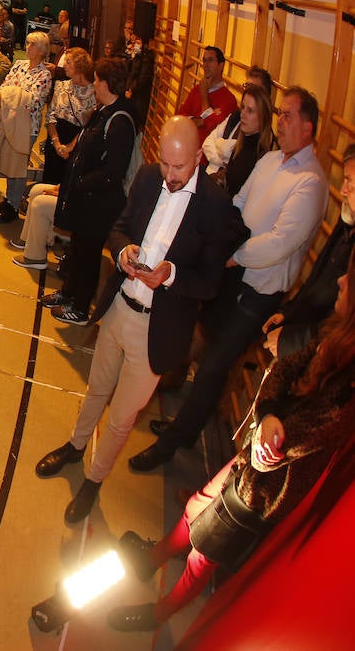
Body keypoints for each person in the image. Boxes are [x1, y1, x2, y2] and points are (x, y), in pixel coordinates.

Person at [106, 251, 355, 631]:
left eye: (348, 279)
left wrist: (274, 436)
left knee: (205, 553)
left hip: (271, 484)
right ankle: (154, 556)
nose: (339, 281)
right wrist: (268, 414)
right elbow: (285, 367)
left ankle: (161, 613)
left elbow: (316, 431)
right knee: (197, 504)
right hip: (257, 451)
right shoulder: (332, 331)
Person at [34, 117, 247, 524]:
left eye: (179, 168)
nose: (169, 176)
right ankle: (75, 446)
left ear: (199, 159)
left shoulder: (215, 207)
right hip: (120, 308)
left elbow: (210, 282)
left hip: (158, 329)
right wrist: (123, 250)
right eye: (165, 164)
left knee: (122, 418)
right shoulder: (149, 178)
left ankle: (93, 482)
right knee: (96, 388)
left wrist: (172, 275)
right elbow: (119, 227)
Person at [133, 88, 327, 470]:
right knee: (199, 338)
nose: (280, 122)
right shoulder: (272, 159)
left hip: (258, 291)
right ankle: (182, 421)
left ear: (308, 127)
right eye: (281, 114)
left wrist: (231, 256)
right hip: (234, 274)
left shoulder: (311, 181)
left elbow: (279, 244)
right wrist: (216, 239)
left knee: (215, 364)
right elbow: (236, 204)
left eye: (288, 115)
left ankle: (173, 443)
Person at [40, 58, 138, 325]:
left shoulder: (120, 120)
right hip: (86, 201)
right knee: (78, 249)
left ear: (105, 84)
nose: (94, 84)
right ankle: (68, 293)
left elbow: (114, 170)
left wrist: (82, 183)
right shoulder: (103, 110)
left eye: (96, 80)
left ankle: (81, 307)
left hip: (100, 204)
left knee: (89, 254)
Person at [260, 145, 355, 358]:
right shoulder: (347, 223)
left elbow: (344, 324)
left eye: (349, 180)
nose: (343, 190)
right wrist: (289, 312)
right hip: (301, 334)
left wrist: (292, 341)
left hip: (319, 353)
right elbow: (318, 282)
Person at [0, 31, 54, 223]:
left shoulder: (44, 74)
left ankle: (14, 206)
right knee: (9, 162)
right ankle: (8, 199)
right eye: (27, 42)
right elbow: (3, 90)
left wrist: (11, 94)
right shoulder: (19, 65)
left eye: (32, 44)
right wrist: (13, 94)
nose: (28, 47)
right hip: (8, 121)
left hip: (27, 126)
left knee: (19, 167)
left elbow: (32, 101)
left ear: (41, 50)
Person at [201, 83, 275, 196]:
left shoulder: (259, 157)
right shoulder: (241, 145)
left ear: (262, 117)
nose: (243, 114)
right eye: (243, 107)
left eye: (250, 111)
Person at [40, 47, 97, 186]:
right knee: (49, 184)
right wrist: (56, 143)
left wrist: (69, 148)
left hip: (77, 145)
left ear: (80, 65)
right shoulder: (61, 86)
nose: (64, 65)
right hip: (55, 140)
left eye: (68, 62)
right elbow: (50, 116)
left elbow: (90, 126)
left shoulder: (94, 93)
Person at [177, 45, 238, 138]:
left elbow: (214, 129)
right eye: (204, 60)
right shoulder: (196, 89)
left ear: (221, 65)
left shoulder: (229, 99)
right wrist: (202, 121)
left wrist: (204, 96)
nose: (206, 65)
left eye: (210, 60)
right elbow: (180, 116)